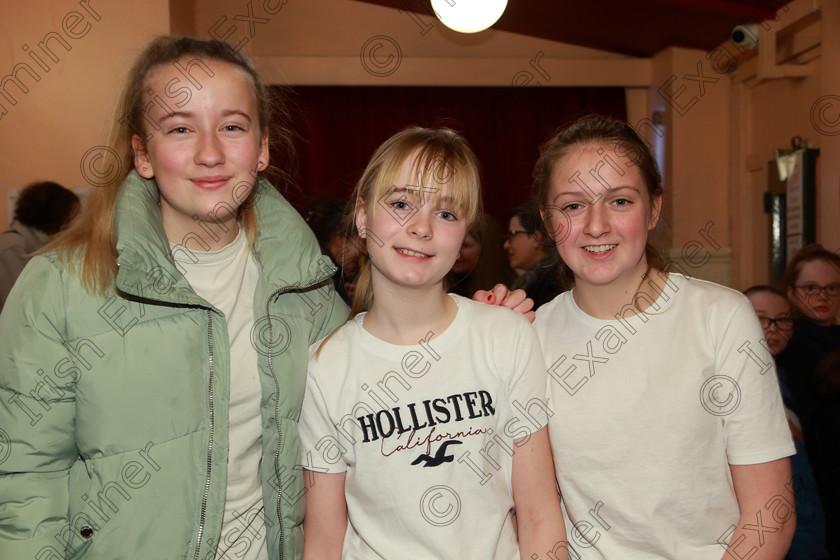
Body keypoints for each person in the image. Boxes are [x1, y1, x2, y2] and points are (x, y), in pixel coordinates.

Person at [0, 37, 351, 560]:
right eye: (180, 128)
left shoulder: (309, 287)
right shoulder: (59, 285)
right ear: (143, 153)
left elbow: (379, 408)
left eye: (232, 127)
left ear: (262, 148)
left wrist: (481, 324)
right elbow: (25, 473)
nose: (210, 153)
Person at [531, 115, 796, 559]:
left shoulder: (720, 317)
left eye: (619, 201)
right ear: (548, 220)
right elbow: (534, 513)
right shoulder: (531, 336)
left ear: (653, 209)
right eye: (573, 206)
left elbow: (769, 513)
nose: (596, 226)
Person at [299, 127, 568, 560]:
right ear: (363, 217)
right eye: (402, 203)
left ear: (464, 234)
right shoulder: (326, 366)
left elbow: (538, 514)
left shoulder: (506, 336)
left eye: (446, 214)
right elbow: (324, 540)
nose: (421, 227)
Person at [744, 285, 829, 560]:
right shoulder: (732, 384)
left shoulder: (787, 377)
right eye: (760, 318)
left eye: (782, 319)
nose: (773, 328)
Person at [776, 244, 840, 557]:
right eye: (811, 288)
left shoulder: (833, 336)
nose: (822, 296)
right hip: (813, 474)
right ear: (792, 293)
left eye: (832, 288)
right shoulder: (793, 342)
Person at [0, 180, 79, 311]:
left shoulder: (40, 245)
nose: (72, 224)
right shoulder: (12, 246)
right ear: (56, 216)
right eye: (72, 217)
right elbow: (19, 305)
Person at [504, 199, 564, 309]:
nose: (506, 245)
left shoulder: (552, 284)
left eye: (512, 234)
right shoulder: (535, 279)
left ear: (536, 238)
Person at [305, 197, 363, 305]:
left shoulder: (317, 265)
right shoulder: (327, 277)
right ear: (341, 239)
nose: (364, 251)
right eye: (362, 243)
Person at [448, 214, 515, 298]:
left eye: (465, 245)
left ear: (485, 249)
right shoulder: (445, 285)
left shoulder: (507, 290)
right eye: (454, 244)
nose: (456, 252)